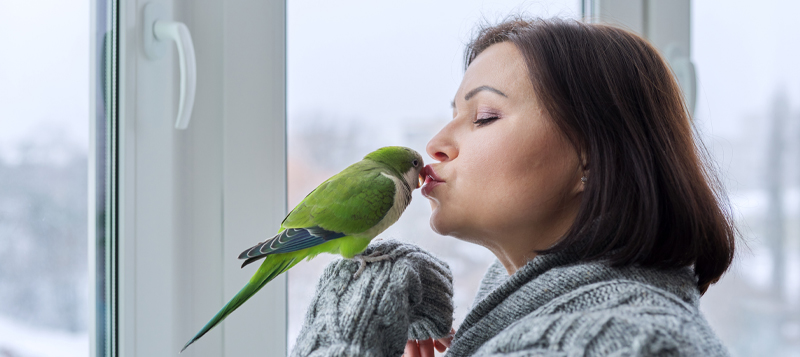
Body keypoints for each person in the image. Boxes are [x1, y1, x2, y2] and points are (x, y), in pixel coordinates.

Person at [291, 17, 735, 357]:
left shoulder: (620, 342)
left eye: (484, 116)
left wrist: (355, 302)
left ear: (593, 158)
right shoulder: (563, 326)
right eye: (452, 115)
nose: (436, 145)